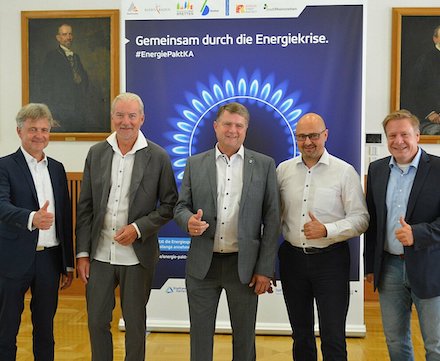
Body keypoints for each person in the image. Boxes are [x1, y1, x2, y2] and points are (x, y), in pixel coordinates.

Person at [75, 92, 178, 361]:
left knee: (135, 325)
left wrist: (138, 228)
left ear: (141, 119)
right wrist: (82, 254)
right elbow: (85, 207)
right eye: (120, 115)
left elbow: (169, 205)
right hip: (99, 255)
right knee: (97, 321)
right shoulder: (96, 153)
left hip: (138, 256)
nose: (126, 121)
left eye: (132, 115)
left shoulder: (158, 156)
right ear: (112, 118)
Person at [174, 102, 280, 361]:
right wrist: (188, 221)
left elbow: (272, 219)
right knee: (200, 336)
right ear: (215, 126)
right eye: (227, 124)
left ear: (246, 129)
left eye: (239, 125)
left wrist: (265, 268)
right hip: (203, 266)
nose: (233, 130)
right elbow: (180, 207)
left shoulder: (264, 165)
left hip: (243, 266)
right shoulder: (195, 163)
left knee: (244, 338)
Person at [277, 112, 369, 361]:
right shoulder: (283, 171)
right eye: (302, 137)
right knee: (301, 334)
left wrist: (327, 230)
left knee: (333, 335)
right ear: (296, 138)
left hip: (331, 261)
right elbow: (274, 217)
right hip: (292, 260)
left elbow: (361, 219)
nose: (308, 142)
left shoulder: (344, 171)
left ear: (325, 135)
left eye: (314, 135)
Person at [0, 103, 74, 361]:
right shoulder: (4, 166)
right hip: (13, 259)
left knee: (45, 329)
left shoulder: (57, 168)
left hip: (49, 260)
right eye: (33, 129)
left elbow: (65, 217)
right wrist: (32, 217)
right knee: (6, 328)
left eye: (44, 129)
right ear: (19, 131)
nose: (39, 135)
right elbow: (1, 206)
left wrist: (68, 263)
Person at [365, 109, 440, 361]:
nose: (398, 141)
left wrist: (417, 233)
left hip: (430, 267)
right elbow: (373, 222)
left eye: (405, 134)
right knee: (395, 340)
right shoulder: (376, 170)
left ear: (418, 135)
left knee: (435, 344)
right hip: (389, 268)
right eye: (392, 135)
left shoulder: (438, 169)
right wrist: (370, 266)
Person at [37, 23, 103, 132]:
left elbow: (84, 80)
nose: (68, 37)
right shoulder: (52, 57)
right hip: (60, 110)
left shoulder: (76, 57)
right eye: (64, 34)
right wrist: (51, 115)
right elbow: (46, 86)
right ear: (58, 38)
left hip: (78, 108)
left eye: (70, 34)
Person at [406, 25, 440, 135]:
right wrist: (430, 113)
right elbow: (414, 91)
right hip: (432, 119)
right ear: (435, 39)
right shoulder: (425, 60)